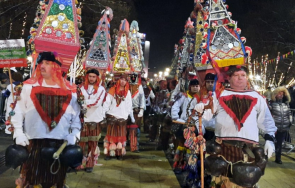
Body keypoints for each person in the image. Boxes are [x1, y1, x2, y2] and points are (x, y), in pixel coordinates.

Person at [195, 65, 277, 187]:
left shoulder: (257, 97)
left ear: (247, 78)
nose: (240, 78)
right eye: (236, 75)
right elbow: (207, 115)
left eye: (243, 75)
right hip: (223, 148)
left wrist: (270, 140)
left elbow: (266, 122)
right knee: (222, 182)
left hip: (247, 150)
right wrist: (202, 108)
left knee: (245, 181)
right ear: (229, 78)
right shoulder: (219, 95)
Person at [11, 52, 81, 188]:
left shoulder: (70, 90)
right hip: (34, 142)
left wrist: (74, 134)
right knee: (33, 179)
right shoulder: (27, 86)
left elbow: (77, 116)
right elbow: (17, 111)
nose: (42, 66)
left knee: (55, 179)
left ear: (56, 67)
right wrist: (18, 133)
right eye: (41, 63)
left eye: (47, 63)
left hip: (60, 144)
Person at [77, 69, 106, 172]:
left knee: (93, 143)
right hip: (83, 119)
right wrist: (87, 102)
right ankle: (79, 164)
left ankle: (90, 164)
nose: (91, 78)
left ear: (97, 78)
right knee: (81, 143)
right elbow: (78, 100)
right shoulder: (81, 88)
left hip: (95, 119)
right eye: (90, 76)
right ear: (87, 77)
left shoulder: (101, 89)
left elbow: (97, 103)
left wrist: (85, 103)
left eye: (94, 77)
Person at [171, 79, 201, 174]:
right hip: (184, 125)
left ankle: (189, 167)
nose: (196, 88)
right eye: (194, 86)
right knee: (181, 145)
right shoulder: (183, 96)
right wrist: (177, 118)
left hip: (195, 126)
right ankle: (179, 165)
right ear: (190, 87)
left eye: (197, 86)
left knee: (191, 147)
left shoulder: (200, 98)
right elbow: (175, 107)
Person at [103, 74, 133, 160]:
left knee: (120, 136)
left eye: (125, 80)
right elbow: (107, 102)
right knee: (110, 135)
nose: (123, 81)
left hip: (122, 117)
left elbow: (129, 105)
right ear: (118, 80)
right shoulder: (113, 90)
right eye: (121, 79)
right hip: (112, 115)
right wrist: (104, 112)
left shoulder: (128, 92)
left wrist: (126, 115)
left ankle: (119, 154)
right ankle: (109, 153)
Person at [269, 86, 292, 164]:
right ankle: (266, 156)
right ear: (275, 94)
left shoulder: (286, 104)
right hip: (273, 128)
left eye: (282, 93)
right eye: (279, 93)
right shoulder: (271, 104)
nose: (281, 95)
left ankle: (278, 158)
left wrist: (289, 123)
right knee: (270, 142)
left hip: (283, 127)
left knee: (279, 144)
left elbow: (289, 114)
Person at [127, 73, 145, 152]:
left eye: (135, 77)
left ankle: (134, 147)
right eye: (131, 77)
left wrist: (141, 110)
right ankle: (122, 147)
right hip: (125, 111)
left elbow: (142, 99)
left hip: (135, 111)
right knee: (124, 129)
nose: (133, 78)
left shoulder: (139, 87)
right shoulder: (126, 86)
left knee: (134, 129)